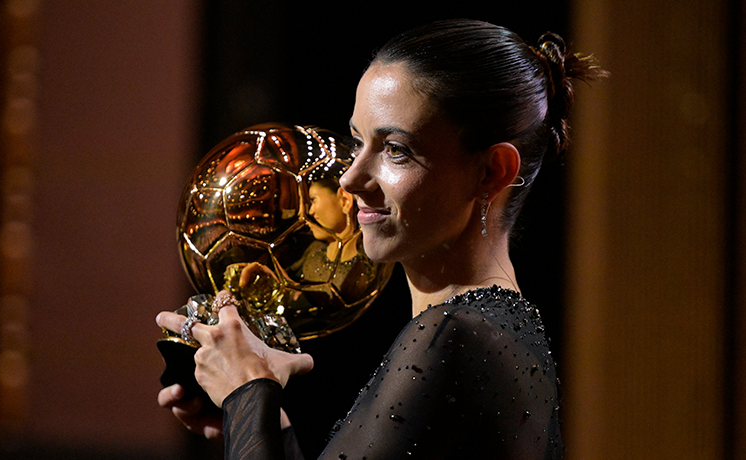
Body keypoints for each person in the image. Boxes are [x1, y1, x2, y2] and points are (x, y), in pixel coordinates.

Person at [156, 19, 606, 459]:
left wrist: (245, 391)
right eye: (357, 141)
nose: (350, 178)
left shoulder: (454, 337)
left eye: (395, 150)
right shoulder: (503, 328)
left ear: (492, 171)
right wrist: (262, 428)